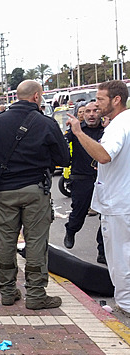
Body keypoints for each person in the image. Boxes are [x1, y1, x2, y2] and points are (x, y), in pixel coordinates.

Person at [0, 80, 70, 309]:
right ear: (37, 96)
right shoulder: (46, 123)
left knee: (5, 243)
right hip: (35, 190)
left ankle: (8, 292)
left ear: (17, 96)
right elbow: (63, 159)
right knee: (36, 243)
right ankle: (36, 294)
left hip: (5, 192)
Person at [66, 80, 130, 314]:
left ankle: (125, 304)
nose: (96, 104)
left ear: (116, 100)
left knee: (120, 257)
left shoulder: (117, 126)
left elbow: (104, 155)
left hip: (119, 204)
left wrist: (79, 133)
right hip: (123, 200)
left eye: (100, 99)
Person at [62, 101, 106, 264]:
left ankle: (102, 251)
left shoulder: (107, 129)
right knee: (79, 213)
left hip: (104, 179)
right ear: (83, 114)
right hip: (81, 177)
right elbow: (62, 143)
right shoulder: (77, 130)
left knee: (106, 216)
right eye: (88, 111)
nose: (92, 114)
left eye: (96, 110)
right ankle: (71, 230)